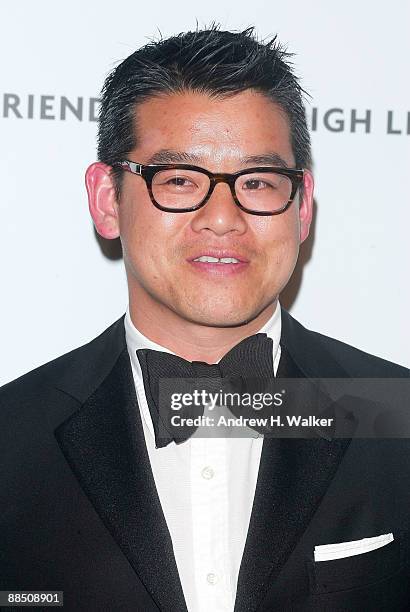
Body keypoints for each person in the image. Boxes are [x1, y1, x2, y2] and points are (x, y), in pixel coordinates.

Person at [0, 25, 409, 612]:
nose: (223, 217)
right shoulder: (11, 439)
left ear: (303, 207)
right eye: (180, 181)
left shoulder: (397, 416)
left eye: (260, 182)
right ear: (107, 200)